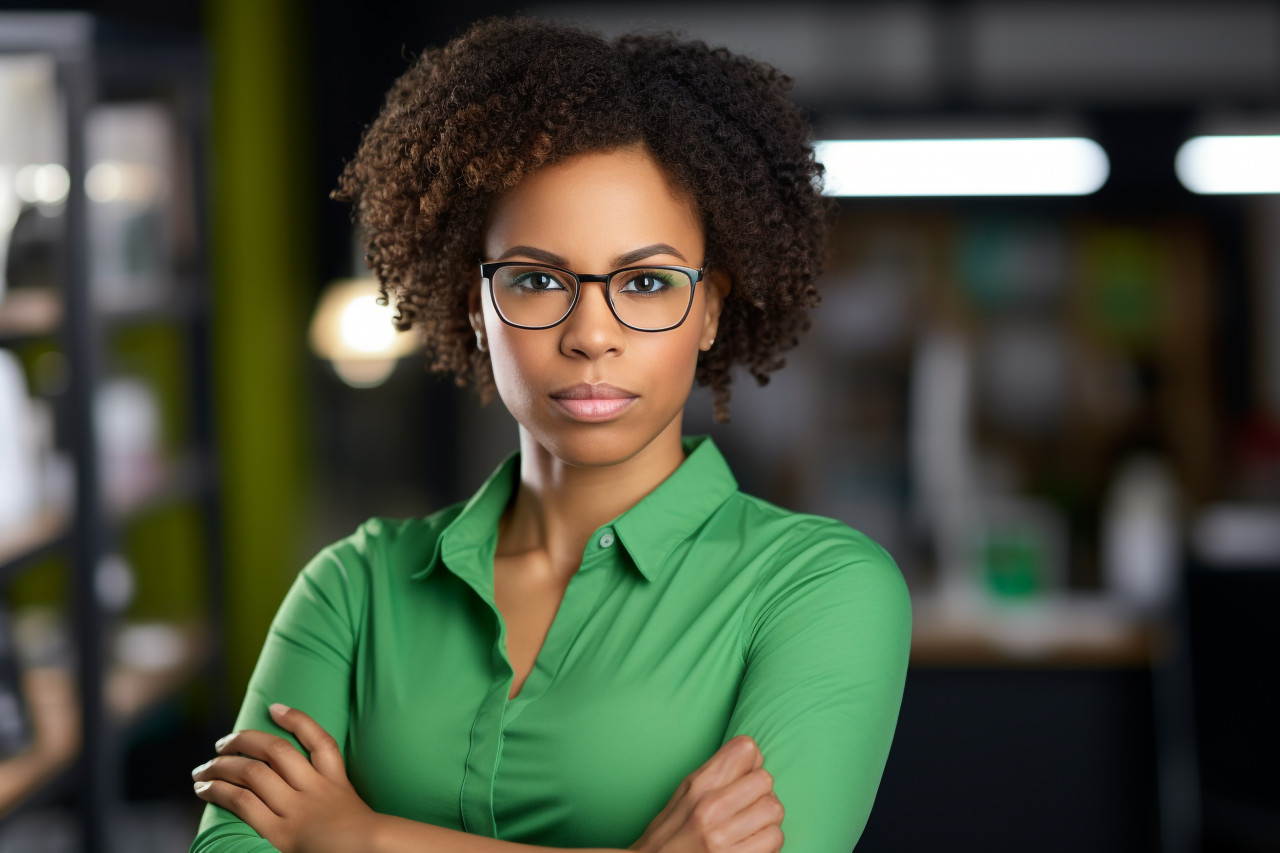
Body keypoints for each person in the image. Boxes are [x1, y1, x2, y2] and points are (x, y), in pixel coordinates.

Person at [190, 16, 911, 853]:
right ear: (474, 303)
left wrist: (359, 836)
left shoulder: (819, 589)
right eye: (536, 279)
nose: (591, 333)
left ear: (710, 307)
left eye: (645, 282)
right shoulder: (354, 588)